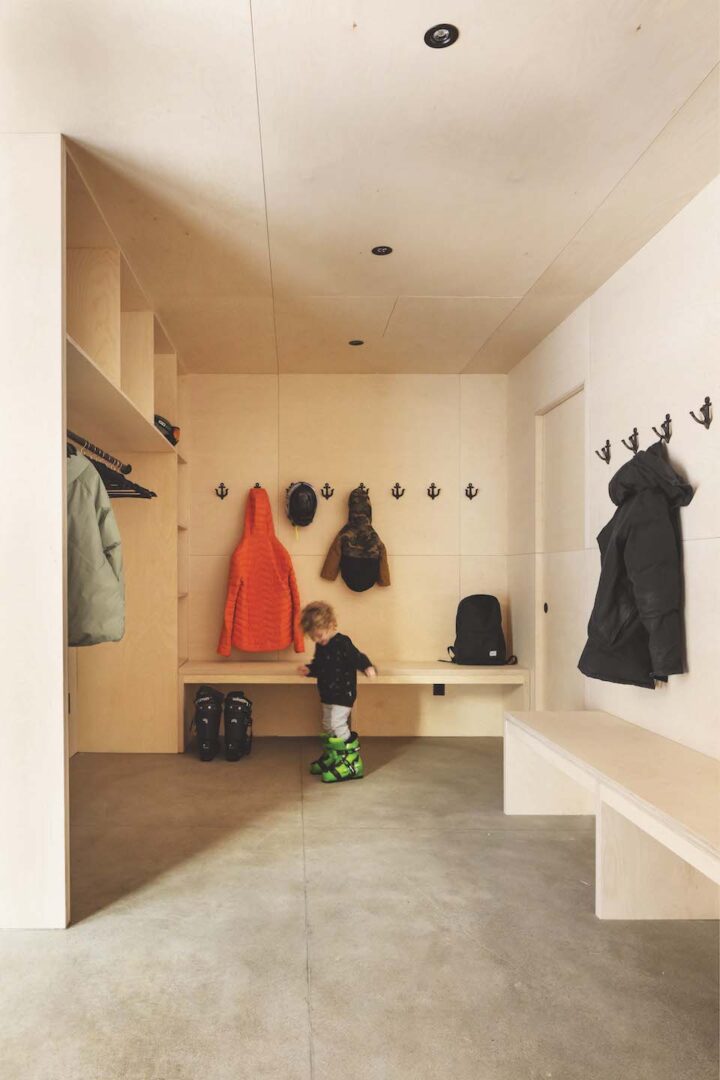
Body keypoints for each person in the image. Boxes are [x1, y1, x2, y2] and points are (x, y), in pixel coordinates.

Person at [297, 601, 376, 782]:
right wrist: (310, 670)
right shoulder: (321, 645)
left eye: (319, 635)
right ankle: (334, 755)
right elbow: (320, 665)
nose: (318, 640)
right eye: (313, 638)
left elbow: (357, 657)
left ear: (331, 625)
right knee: (327, 724)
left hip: (343, 693)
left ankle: (351, 761)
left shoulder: (342, 642)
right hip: (327, 694)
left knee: (337, 723)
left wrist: (367, 667)